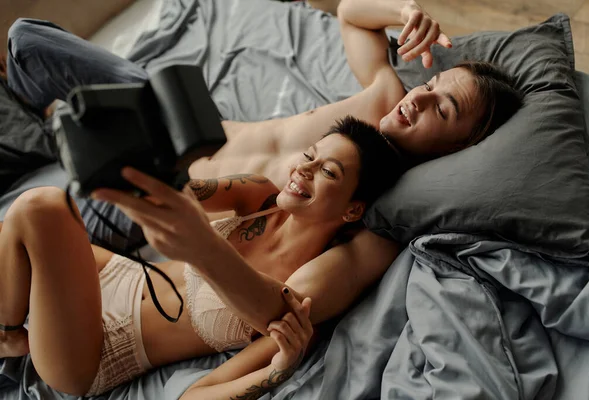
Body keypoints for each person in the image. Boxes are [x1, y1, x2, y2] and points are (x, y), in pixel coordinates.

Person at [1, 0, 522, 396]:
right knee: (28, 42)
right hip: (174, 148)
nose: (420, 95)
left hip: (108, 334)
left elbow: (282, 313)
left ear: (460, 146)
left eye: (443, 109)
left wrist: (272, 371)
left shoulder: (363, 232)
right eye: (430, 84)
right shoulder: (381, 99)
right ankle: (44, 132)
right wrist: (406, 9)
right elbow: (349, 12)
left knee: (37, 205)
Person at [0, 116, 408, 397]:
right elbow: (182, 193)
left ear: (353, 209)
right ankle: (11, 334)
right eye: (309, 156)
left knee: (40, 208)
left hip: (101, 349)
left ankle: (8, 332)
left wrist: (276, 371)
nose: (305, 169)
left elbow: (196, 396)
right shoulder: (260, 194)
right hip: (116, 275)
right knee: (32, 218)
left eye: (329, 172)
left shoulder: (301, 293)